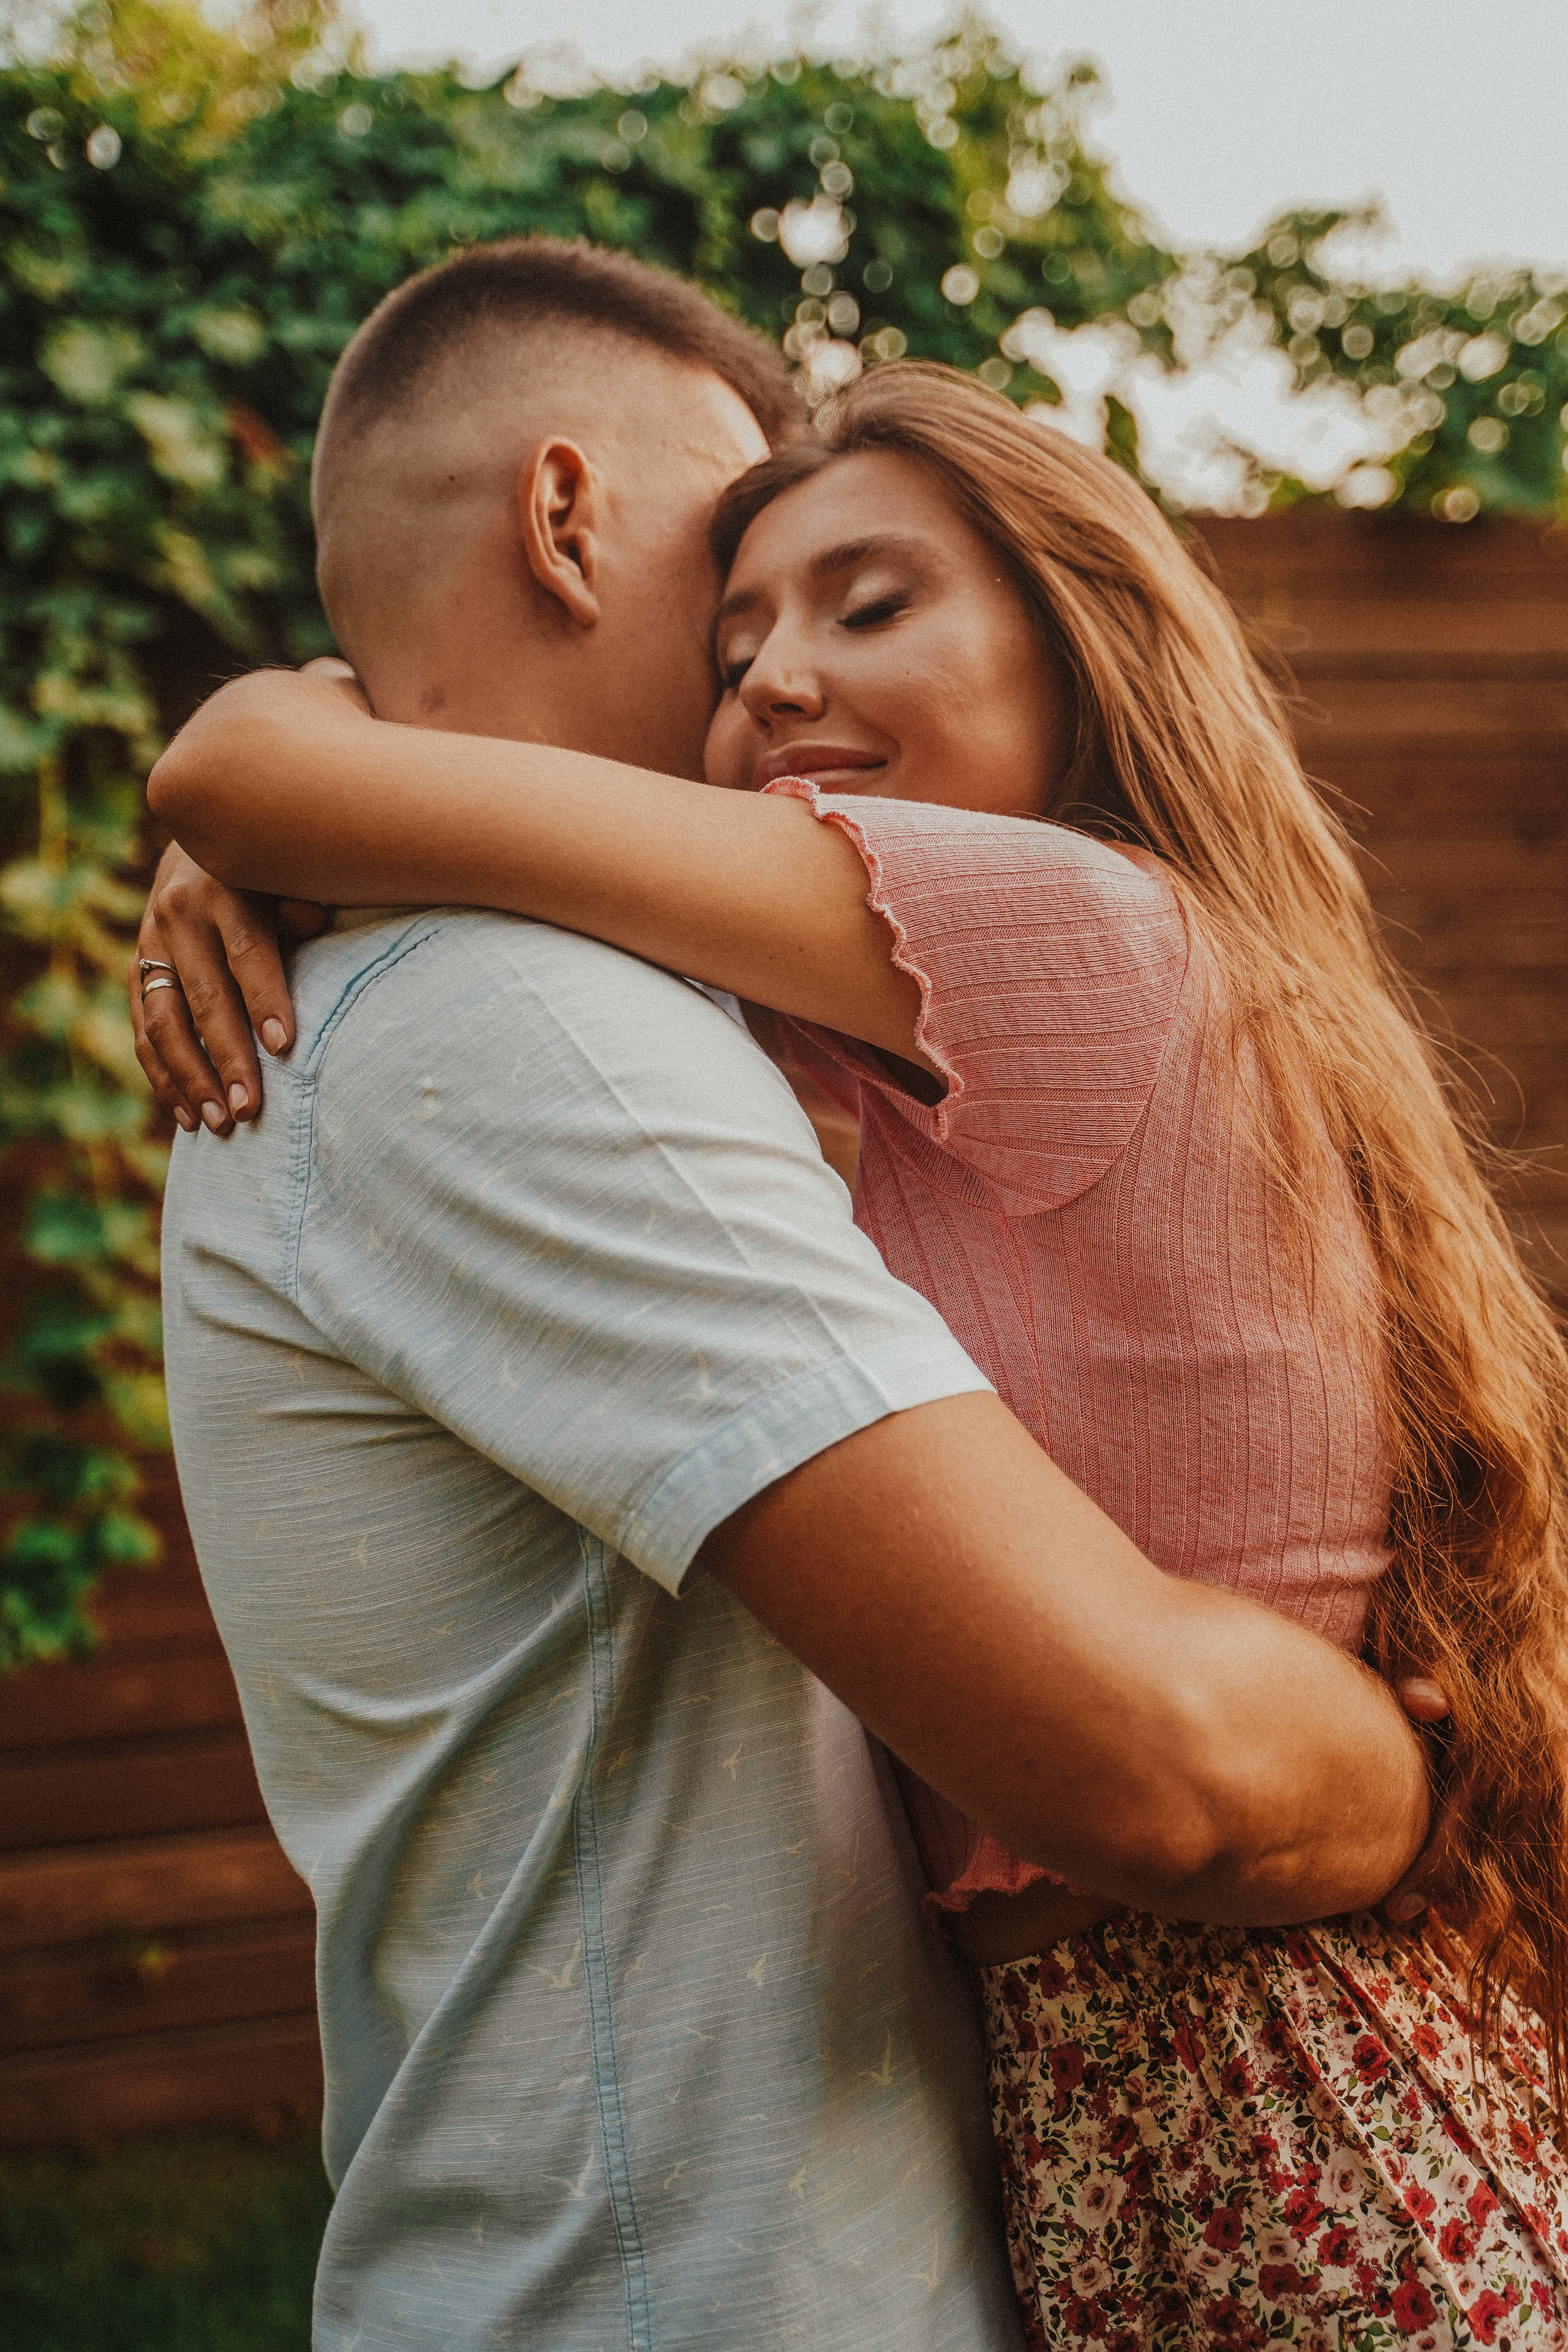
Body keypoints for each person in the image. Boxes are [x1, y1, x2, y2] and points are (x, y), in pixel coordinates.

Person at [146, 344, 1568, 2344]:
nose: (776, 685)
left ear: (1080, 648)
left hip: (1276, 2073)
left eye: (871, 605)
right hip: (1130, 2073)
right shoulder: (881, 1052)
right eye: (733, 649)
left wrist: (254, 792)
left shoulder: (1076, 929)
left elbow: (255, 777)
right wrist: (271, 825)